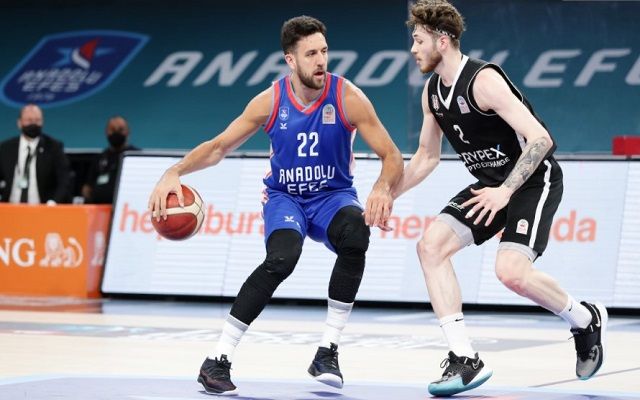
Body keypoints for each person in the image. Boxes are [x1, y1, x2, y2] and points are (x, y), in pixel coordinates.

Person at [148, 15, 403, 395]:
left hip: (332, 196)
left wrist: (383, 187)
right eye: (311, 54)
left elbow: (392, 155)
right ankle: (217, 359)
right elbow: (218, 147)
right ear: (290, 60)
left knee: (356, 236)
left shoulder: (347, 96)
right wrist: (175, 170)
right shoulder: (270, 101)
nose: (321, 60)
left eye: (324, 51)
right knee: (282, 258)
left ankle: (327, 351)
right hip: (286, 197)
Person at [393, 0, 607, 396]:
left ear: (442, 41)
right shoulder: (432, 93)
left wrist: (506, 191)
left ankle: (585, 319)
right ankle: (465, 358)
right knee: (430, 247)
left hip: (531, 181)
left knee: (511, 273)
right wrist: (389, 194)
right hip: (490, 185)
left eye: (419, 40)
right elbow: (426, 157)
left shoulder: (483, 81)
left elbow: (541, 139)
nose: (413, 49)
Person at [0, 104, 71, 204]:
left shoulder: (53, 147)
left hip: (42, 208)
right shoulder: (5, 148)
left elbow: (64, 180)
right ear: (19, 123)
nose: (33, 124)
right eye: (29, 120)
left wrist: (53, 202)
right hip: (9, 208)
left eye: (37, 120)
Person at [82, 116, 138, 204]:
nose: (116, 133)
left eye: (120, 129)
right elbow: (87, 188)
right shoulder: (99, 158)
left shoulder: (135, 156)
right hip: (99, 207)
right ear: (106, 132)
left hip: (127, 207)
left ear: (128, 131)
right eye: (112, 129)